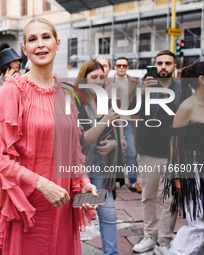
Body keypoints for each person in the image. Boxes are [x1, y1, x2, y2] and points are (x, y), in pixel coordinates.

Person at [0, 18, 98, 255]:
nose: (40, 45)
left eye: (46, 37)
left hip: (63, 205)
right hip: (28, 207)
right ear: (24, 49)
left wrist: (83, 182)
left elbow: (73, 152)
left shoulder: (66, 93)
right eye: (32, 39)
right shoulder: (12, 91)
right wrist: (41, 183)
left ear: (57, 43)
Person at [132, 50, 181, 254]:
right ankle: (150, 236)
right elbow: (131, 113)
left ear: (174, 66)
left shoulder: (182, 89)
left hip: (174, 154)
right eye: (159, 63)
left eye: (167, 63)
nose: (163, 67)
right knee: (148, 196)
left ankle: (165, 240)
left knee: (172, 200)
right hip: (149, 151)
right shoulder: (144, 87)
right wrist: (142, 94)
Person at [75, 59, 121, 255]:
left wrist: (114, 144)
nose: (99, 82)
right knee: (72, 218)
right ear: (84, 78)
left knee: (109, 213)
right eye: (94, 77)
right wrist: (103, 121)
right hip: (77, 171)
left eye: (102, 78)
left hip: (101, 167)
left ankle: (112, 253)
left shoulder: (106, 101)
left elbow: (114, 133)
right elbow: (80, 141)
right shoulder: (75, 102)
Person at [163, 62, 204, 255]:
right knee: (197, 221)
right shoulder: (187, 106)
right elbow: (174, 144)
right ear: (201, 80)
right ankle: (180, 251)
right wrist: (177, 176)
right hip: (193, 170)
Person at [111, 57, 141, 193]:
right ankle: (110, 180)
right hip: (112, 120)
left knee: (131, 152)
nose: (121, 68)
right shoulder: (108, 81)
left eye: (124, 65)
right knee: (111, 151)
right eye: (119, 65)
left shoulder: (134, 82)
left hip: (128, 120)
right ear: (115, 67)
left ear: (127, 67)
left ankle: (133, 181)